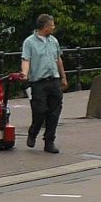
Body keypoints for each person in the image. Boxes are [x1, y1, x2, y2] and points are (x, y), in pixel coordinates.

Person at [20, 13, 67, 153]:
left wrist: (63, 77)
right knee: (39, 111)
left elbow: (58, 59)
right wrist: (24, 73)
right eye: (52, 25)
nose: (54, 27)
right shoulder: (29, 42)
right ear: (45, 27)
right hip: (38, 82)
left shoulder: (54, 41)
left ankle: (49, 141)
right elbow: (26, 59)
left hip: (54, 80)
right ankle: (33, 133)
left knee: (54, 112)